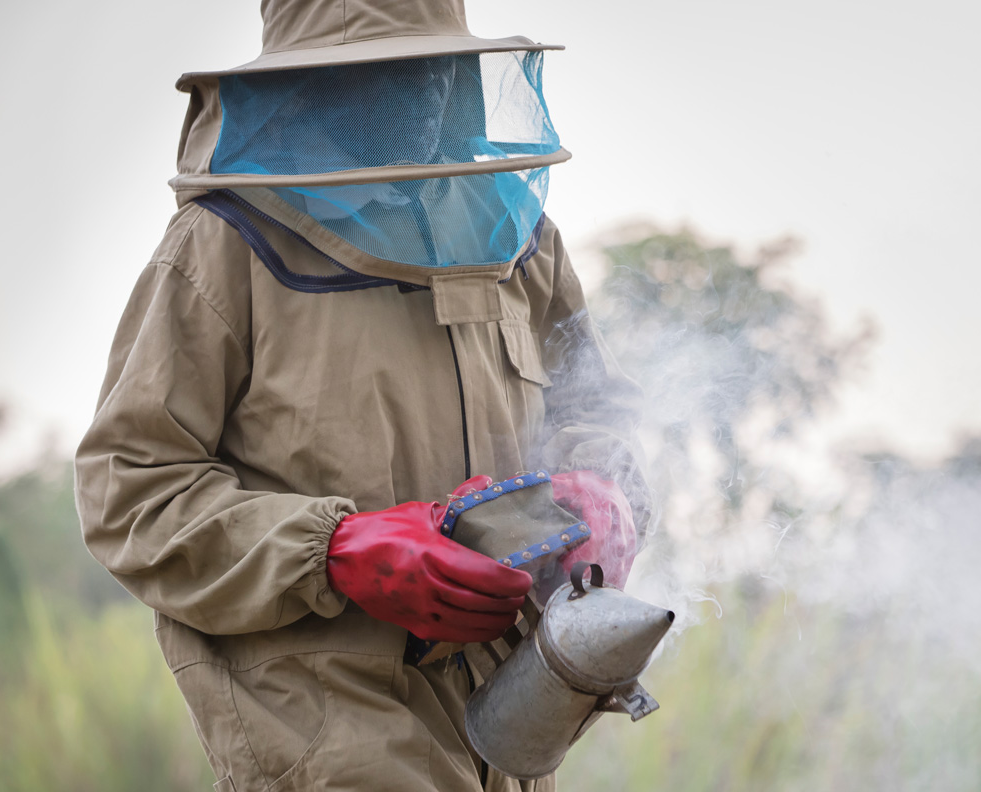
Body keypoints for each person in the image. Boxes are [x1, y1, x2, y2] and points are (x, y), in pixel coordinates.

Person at [74, 1, 650, 790]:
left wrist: (605, 490)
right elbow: (130, 491)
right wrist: (336, 550)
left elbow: (598, 412)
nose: (420, 98)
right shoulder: (222, 247)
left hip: (512, 727)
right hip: (326, 733)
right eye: (385, 74)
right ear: (309, 86)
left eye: (429, 69)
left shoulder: (517, 233)